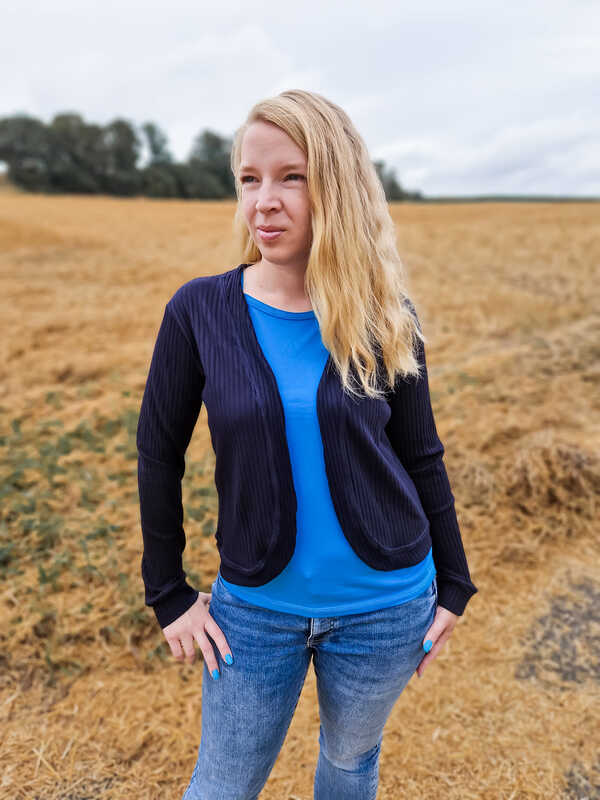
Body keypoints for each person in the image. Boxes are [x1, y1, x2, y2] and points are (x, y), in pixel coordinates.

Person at [136, 89, 478, 800]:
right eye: (249, 179)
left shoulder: (385, 315)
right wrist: (167, 593)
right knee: (222, 784)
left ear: (338, 188)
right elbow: (158, 453)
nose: (264, 201)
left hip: (387, 607)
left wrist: (454, 581)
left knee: (350, 762)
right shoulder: (199, 311)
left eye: (291, 177)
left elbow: (421, 454)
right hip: (254, 612)